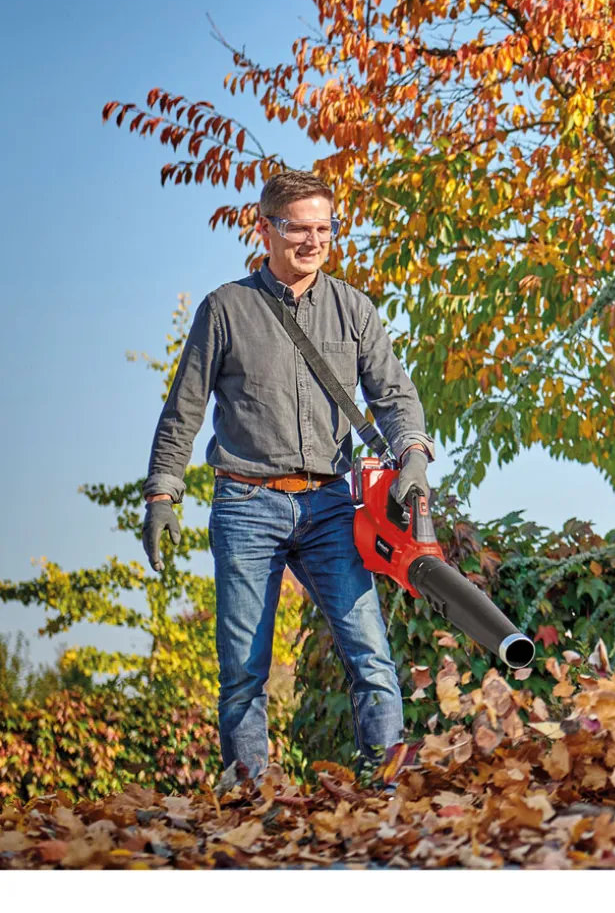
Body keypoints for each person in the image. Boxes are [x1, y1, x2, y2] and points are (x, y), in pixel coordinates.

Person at [140, 170, 435, 792]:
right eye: (298, 228)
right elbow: (184, 410)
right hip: (246, 503)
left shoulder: (353, 309)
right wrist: (163, 493)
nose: (313, 241)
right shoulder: (226, 310)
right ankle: (251, 792)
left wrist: (412, 452)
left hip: (331, 505)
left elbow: (394, 396)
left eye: (324, 228)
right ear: (264, 227)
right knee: (245, 666)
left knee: (370, 654)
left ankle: (387, 792)